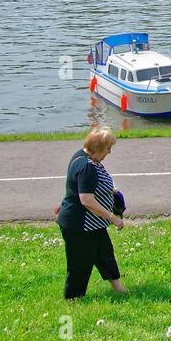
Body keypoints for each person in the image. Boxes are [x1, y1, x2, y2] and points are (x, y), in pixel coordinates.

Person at [55, 128, 127, 300]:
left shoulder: (82, 155)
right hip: (80, 225)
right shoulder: (87, 167)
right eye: (107, 148)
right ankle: (73, 299)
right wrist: (112, 218)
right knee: (79, 264)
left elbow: (74, 186)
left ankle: (119, 289)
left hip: (93, 223)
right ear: (98, 147)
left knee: (105, 254)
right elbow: (86, 200)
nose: (109, 152)